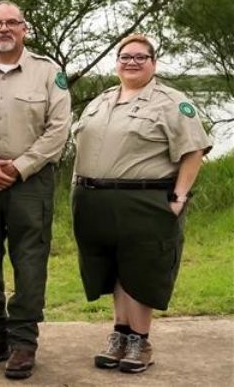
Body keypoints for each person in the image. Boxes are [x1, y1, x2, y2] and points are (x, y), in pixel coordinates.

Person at [71, 34, 211, 374]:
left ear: (154, 63)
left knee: (142, 270)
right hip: (95, 200)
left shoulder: (172, 102)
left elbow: (194, 151)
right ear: (116, 62)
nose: (131, 62)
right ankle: (119, 333)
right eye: (125, 56)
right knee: (113, 268)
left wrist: (178, 197)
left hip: (144, 199)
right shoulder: (100, 101)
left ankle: (140, 340)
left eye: (140, 57)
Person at [0, 1, 71, 380]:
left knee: (29, 260)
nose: (3, 29)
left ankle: (23, 342)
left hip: (31, 182)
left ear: (24, 29)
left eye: (11, 23)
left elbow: (58, 130)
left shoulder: (48, 72)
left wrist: (20, 168)